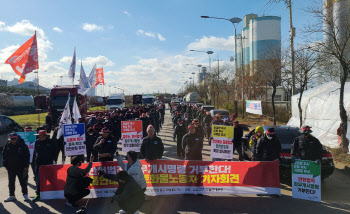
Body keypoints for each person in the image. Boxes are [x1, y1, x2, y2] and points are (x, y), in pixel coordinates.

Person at [3, 132, 30, 202]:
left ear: (17, 138)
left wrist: (26, 165)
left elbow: (27, 155)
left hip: (21, 167)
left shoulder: (22, 145)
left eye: (13, 139)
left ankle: (25, 194)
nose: (11, 140)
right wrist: (5, 164)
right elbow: (4, 155)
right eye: (10, 139)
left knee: (22, 181)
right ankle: (11, 195)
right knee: (11, 182)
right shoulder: (7, 145)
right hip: (11, 167)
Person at [32, 130, 58, 202]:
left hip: (49, 163)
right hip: (39, 163)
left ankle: (56, 192)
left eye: (40, 136)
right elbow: (36, 151)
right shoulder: (37, 142)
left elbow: (55, 152)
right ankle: (38, 194)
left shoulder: (51, 142)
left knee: (52, 178)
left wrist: (54, 160)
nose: (39, 137)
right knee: (38, 179)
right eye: (38, 136)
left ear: (45, 136)